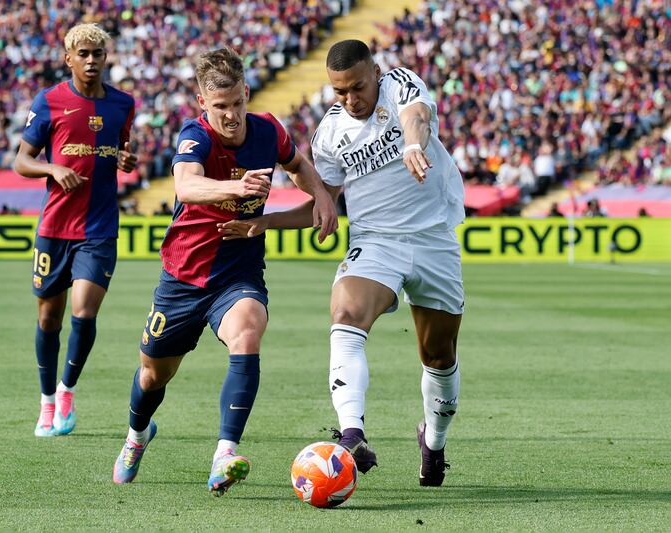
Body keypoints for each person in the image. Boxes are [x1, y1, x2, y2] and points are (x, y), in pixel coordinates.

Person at [219, 40, 465, 487]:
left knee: (438, 355)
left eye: (357, 87)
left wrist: (413, 145)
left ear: (375, 71)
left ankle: (434, 439)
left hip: (433, 239)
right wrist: (267, 221)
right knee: (345, 314)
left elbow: (418, 118)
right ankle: (352, 433)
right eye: (339, 92)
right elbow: (322, 203)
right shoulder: (330, 133)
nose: (350, 100)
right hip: (375, 242)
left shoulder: (400, 84)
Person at [111, 47, 337, 495]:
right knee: (154, 374)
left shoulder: (268, 130)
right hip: (183, 277)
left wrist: (324, 197)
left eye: (237, 102)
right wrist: (237, 185)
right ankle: (137, 436)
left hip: (238, 275)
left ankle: (225, 452)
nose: (231, 115)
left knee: (248, 329)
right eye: (220, 106)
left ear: (246, 92)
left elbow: (298, 166)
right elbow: (186, 185)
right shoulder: (195, 137)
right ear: (202, 103)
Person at [13, 23, 137, 437]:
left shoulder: (123, 104)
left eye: (97, 54)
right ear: (68, 58)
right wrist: (52, 167)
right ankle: (46, 401)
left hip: (99, 228)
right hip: (55, 226)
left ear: (106, 58)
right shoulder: (48, 102)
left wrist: (125, 162)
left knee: (84, 311)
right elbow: (21, 160)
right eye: (82, 54)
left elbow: (119, 150)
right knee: (49, 318)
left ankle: (67, 391)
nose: (90, 61)